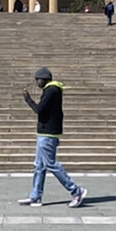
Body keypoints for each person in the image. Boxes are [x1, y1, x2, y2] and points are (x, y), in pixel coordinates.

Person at [19, 67, 88, 208]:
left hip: (48, 134)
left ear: (44, 79)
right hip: (46, 133)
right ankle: (35, 196)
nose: (37, 82)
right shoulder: (52, 90)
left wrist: (28, 99)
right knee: (39, 166)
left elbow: (40, 110)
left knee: (50, 164)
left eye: (38, 79)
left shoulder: (51, 91)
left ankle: (76, 190)